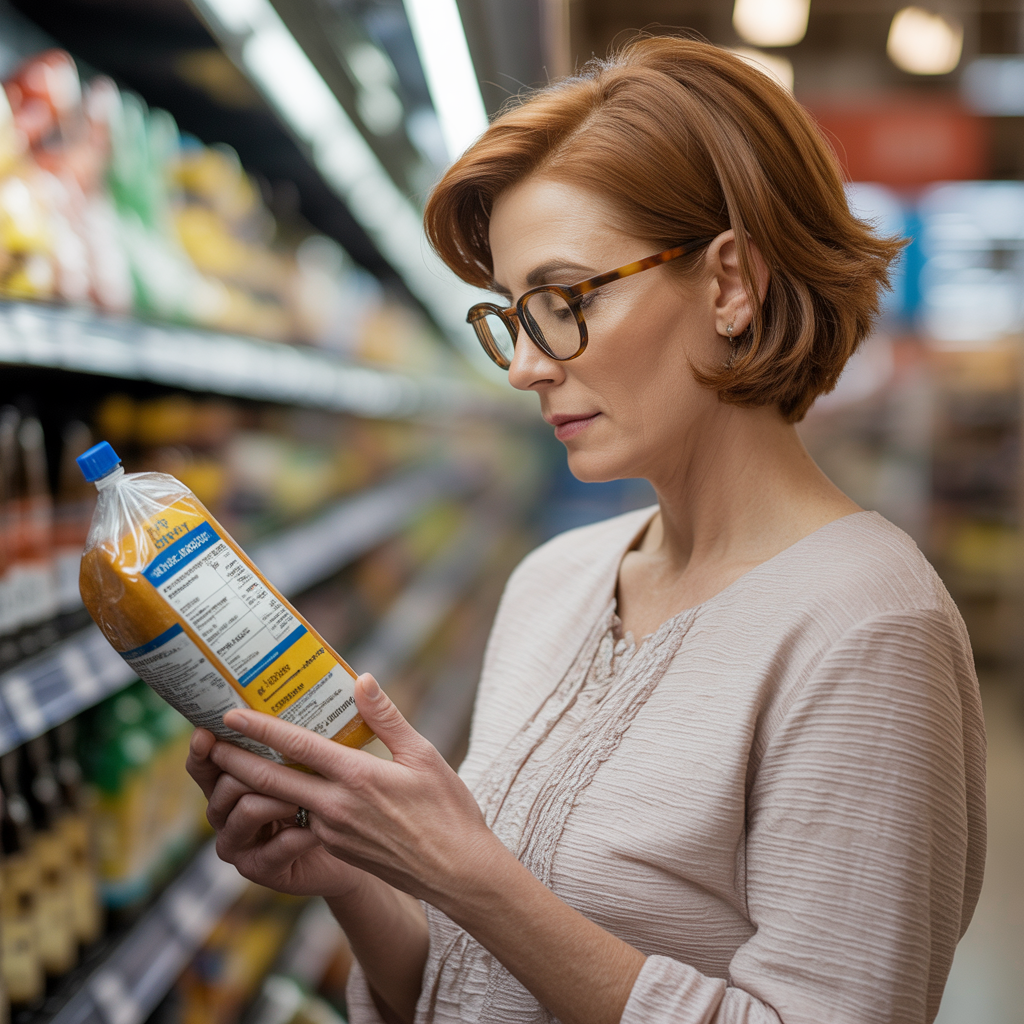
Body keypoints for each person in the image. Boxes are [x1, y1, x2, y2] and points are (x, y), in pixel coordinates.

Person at [187, 37, 986, 1024]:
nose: (523, 366)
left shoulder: (868, 631)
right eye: (511, 317)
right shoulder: (552, 582)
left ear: (729, 283)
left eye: (561, 303)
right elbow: (468, 987)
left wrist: (475, 879)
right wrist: (352, 871)